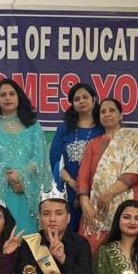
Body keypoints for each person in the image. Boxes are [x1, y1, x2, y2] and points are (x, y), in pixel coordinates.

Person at [0, 79, 52, 235]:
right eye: (3, 95)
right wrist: (11, 176)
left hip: (27, 192)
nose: (8, 98)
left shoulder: (33, 126)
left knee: (28, 238)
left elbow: (40, 158)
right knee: (2, 236)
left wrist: (22, 175)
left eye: (12, 94)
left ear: (19, 97)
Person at [76, 98, 138, 254]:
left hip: (127, 206)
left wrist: (109, 193)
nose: (107, 114)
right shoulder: (93, 144)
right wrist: (85, 204)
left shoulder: (133, 138)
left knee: (127, 253)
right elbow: (83, 177)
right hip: (94, 209)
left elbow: (134, 172)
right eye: (103, 111)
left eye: (112, 110)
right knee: (91, 254)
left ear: (121, 115)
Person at [49, 83, 104, 232]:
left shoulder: (103, 128)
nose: (81, 101)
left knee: (95, 233)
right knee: (68, 234)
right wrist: (74, 184)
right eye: (77, 99)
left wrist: (87, 189)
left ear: (93, 100)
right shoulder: (64, 129)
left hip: (97, 192)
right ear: (73, 104)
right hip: (69, 190)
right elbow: (55, 160)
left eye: (85, 97)